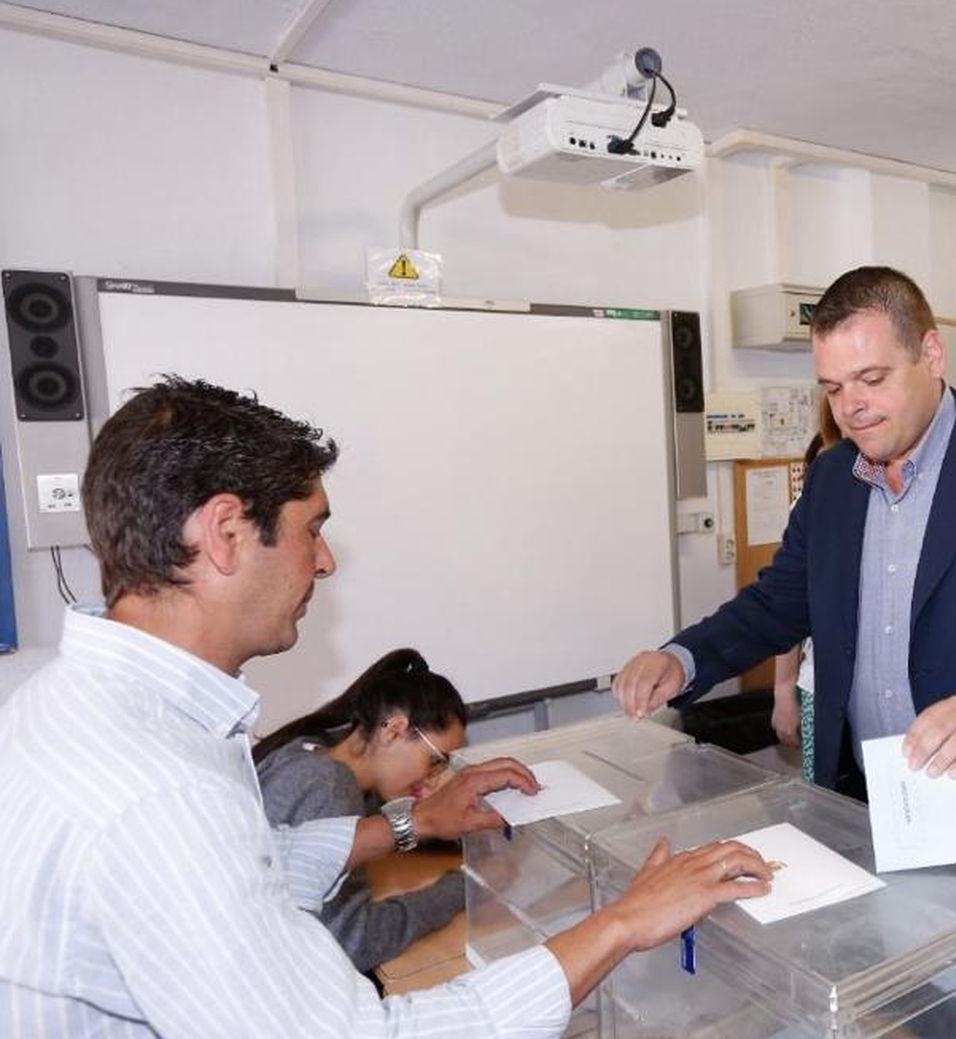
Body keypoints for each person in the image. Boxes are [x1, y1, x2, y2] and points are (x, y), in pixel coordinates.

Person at [0, 377, 771, 1037]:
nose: (326, 561)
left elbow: (248, 873)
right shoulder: (158, 791)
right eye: (314, 529)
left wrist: (413, 823)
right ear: (227, 533)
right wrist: (623, 922)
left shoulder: (69, 702)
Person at [614, 266, 956, 1039]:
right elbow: (782, 598)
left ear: (933, 354)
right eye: (834, 387)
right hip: (887, 827)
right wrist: (686, 657)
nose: (852, 406)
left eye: (871, 377)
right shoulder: (837, 475)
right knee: (935, 1017)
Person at [254, 648, 472, 973]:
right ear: (393, 730)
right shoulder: (329, 787)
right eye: (435, 761)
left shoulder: (311, 749)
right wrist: (461, 888)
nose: (433, 779)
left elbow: (377, 825)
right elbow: (353, 944)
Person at [771, 404, 844, 780]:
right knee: (828, 804)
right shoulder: (810, 508)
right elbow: (786, 604)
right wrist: (783, 690)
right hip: (822, 684)